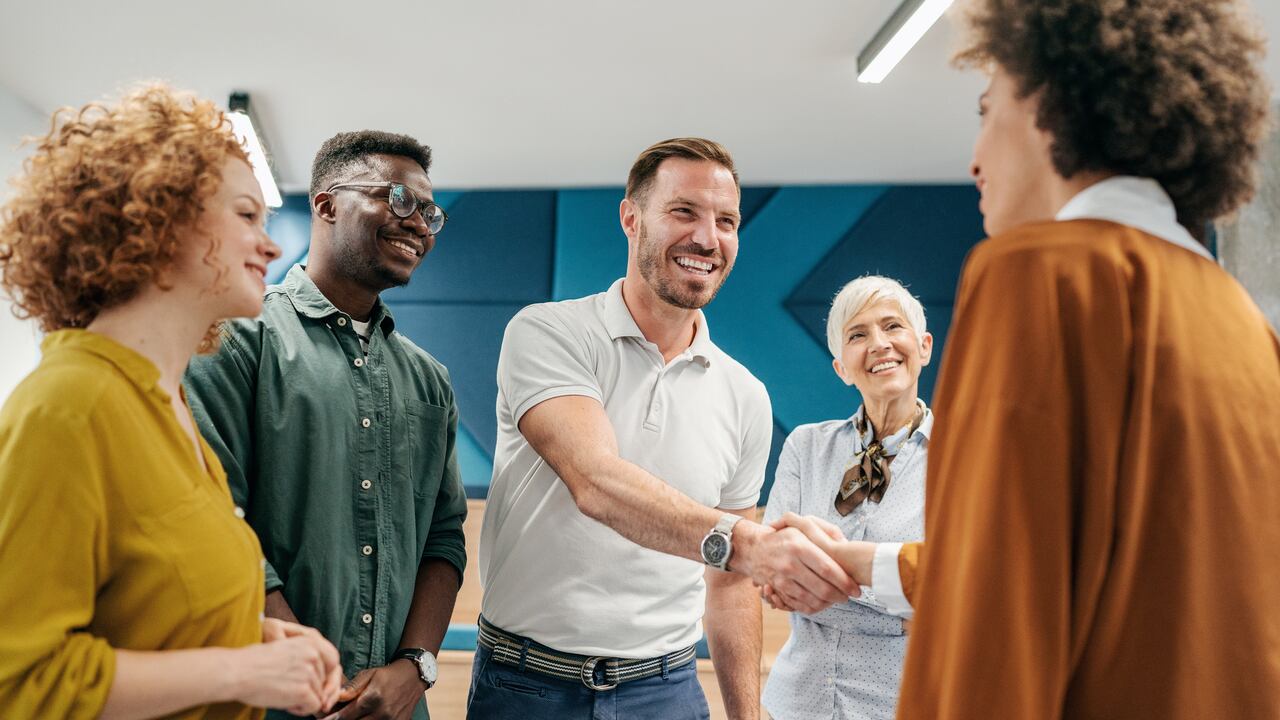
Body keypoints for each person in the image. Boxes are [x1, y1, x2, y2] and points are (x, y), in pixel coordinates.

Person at [776, 0, 1280, 717]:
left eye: (987, 110)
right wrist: (869, 565)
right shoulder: (1240, 319)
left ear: (1050, 102)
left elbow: (991, 608)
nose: (976, 156)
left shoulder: (1039, 274)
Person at [468, 137, 856, 720]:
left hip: (665, 690)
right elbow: (596, 481)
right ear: (631, 218)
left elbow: (726, 586)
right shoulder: (549, 332)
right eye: (684, 212)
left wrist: (746, 716)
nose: (707, 237)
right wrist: (752, 545)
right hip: (526, 685)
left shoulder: (746, 396)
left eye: (726, 221)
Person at [0, 85, 343, 719]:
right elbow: (22, 683)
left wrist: (253, 635)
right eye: (246, 216)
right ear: (153, 222)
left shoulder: (168, 404)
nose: (271, 246)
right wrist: (242, 669)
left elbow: (145, 614)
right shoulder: (69, 407)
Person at [184, 131, 467, 720]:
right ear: (325, 204)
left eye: (430, 213)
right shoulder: (234, 341)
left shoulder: (430, 381)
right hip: (268, 701)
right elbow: (212, 523)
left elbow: (443, 537)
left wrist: (415, 668)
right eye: (399, 200)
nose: (419, 225)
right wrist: (315, 676)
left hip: (395, 707)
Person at [760, 275, 932, 720]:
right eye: (858, 335)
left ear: (924, 347)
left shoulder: (968, 456)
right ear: (841, 367)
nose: (878, 344)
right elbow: (773, 575)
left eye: (893, 326)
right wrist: (899, 613)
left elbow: (959, 591)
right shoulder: (806, 445)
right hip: (797, 706)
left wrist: (823, 582)